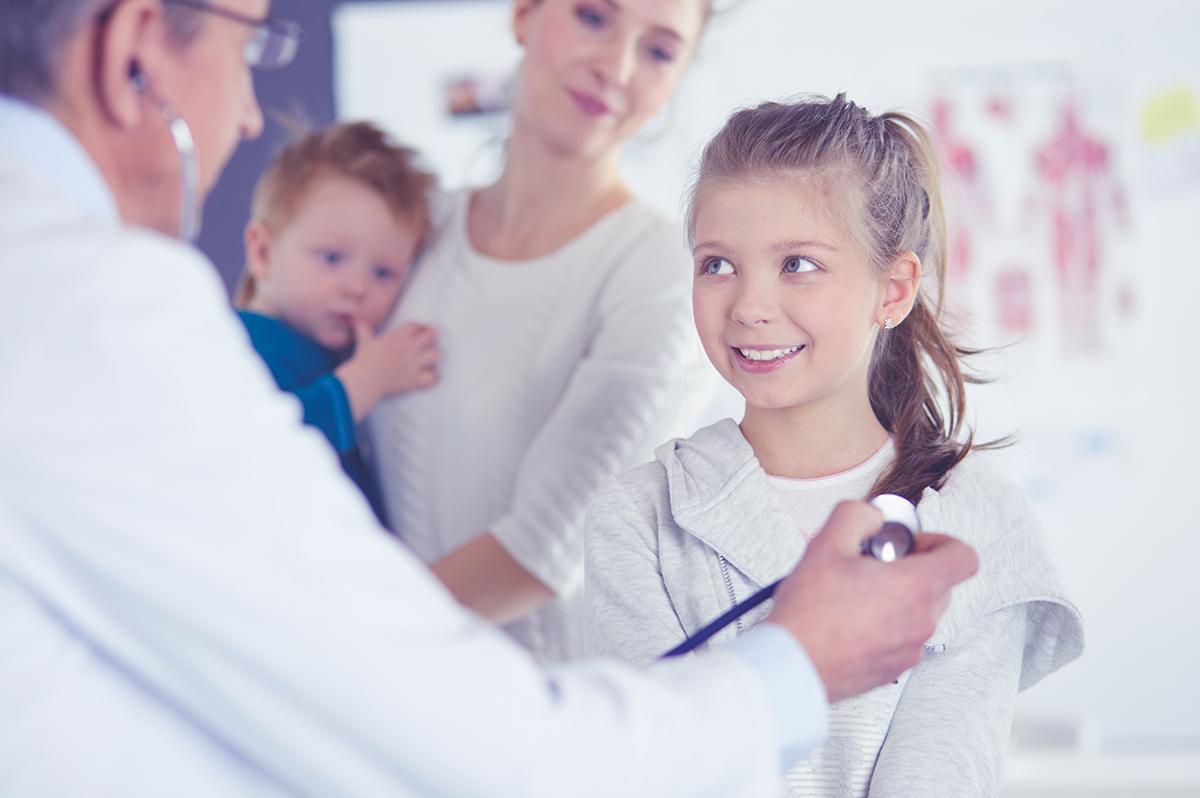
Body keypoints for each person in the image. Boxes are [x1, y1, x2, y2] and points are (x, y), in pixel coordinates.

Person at [0, 2, 979, 795]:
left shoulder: (642, 279)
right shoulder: (108, 304)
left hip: (511, 711)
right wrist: (795, 667)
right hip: (471, 727)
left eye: (660, 47)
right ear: (133, 49)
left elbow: (532, 559)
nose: (252, 112)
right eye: (249, 46)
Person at [584, 95, 1085, 797]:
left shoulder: (970, 518)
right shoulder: (639, 516)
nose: (750, 305)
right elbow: (645, 772)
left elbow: (937, 777)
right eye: (718, 265)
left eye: (798, 264)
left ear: (894, 289)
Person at [368, 0, 720, 661]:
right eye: (593, 17)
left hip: (536, 721)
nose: (615, 66)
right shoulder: (415, 229)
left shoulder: (660, 274)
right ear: (524, 13)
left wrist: (334, 640)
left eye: (659, 50)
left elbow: (543, 550)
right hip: (381, 704)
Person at [234, 121, 439, 527]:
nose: (357, 287)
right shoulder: (241, 343)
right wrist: (364, 383)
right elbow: (260, 449)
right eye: (331, 258)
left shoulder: (339, 352)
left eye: (383, 273)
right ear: (262, 253)